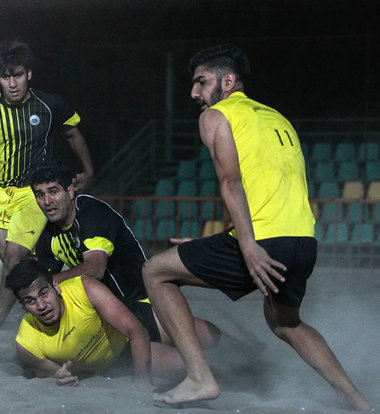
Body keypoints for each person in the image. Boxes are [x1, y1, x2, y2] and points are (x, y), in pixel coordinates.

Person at [142, 44, 372, 410]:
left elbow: (231, 183)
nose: (194, 93)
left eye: (201, 82)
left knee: (155, 272)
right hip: (303, 242)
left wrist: (247, 246)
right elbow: (268, 188)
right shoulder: (277, 118)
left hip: (262, 241)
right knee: (286, 323)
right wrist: (223, 240)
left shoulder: (216, 116)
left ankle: (200, 379)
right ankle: (358, 401)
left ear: (228, 80)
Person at [0, 40, 94, 334]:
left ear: (29, 74)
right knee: (13, 271)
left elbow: (73, 134)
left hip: (35, 194)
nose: (13, 83)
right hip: (0, 197)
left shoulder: (50, 104)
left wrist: (88, 169)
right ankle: (45, 320)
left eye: (18, 75)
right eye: (6, 77)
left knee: (14, 261)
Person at [6, 258, 219, 389]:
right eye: (30, 301)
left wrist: (142, 380)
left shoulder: (83, 287)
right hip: (119, 357)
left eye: (44, 293)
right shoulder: (27, 344)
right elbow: (60, 377)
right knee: (186, 365)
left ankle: (250, 352)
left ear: (56, 286)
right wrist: (62, 377)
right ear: (22, 306)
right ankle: (242, 372)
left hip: (134, 320)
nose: (41, 305)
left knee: (210, 334)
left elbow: (136, 329)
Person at [31, 161, 147, 301]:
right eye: (40, 195)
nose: (47, 201)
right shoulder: (48, 233)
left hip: (140, 302)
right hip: (98, 307)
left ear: (70, 192)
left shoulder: (93, 212)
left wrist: (49, 281)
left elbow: (95, 268)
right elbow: (45, 277)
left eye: (53, 192)